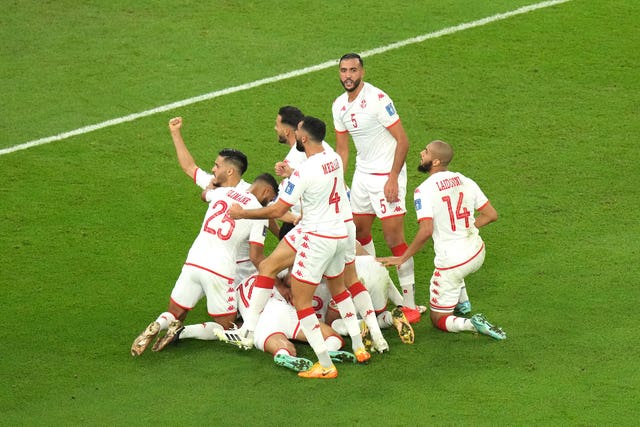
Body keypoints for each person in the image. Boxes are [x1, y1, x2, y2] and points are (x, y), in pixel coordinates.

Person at [224, 116, 370, 379]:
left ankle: (325, 365)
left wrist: (242, 213)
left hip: (315, 236)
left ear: (303, 138)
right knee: (279, 270)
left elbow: (279, 209)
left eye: (298, 131)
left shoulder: (306, 171)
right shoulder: (334, 158)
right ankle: (359, 346)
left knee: (302, 303)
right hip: (336, 232)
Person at [130, 118, 278, 357]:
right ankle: (183, 332)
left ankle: (161, 322)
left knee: (176, 310)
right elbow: (263, 231)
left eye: (216, 165)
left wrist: (207, 193)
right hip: (224, 270)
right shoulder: (250, 203)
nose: (213, 169)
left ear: (229, 171)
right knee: (229, 326)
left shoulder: (220, 190)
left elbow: (203, 193)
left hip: (195, 260)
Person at [377, 140, 506, 340]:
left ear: (435, 161)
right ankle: (462, 303)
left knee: (438, 318)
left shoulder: (424, 190)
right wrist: (468, 228)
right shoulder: (465, 180)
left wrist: (402, 258)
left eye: (426, 152)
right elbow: (491, 214)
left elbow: (426, 230)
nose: (421, 153)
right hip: (477, 252)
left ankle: (471, 323)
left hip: (453, 264)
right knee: (454, 258)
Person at [332, 53, 423, 315]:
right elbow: (342, 149)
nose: (347, 75)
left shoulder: (377, 100)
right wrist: (337, 182)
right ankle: (377, 284)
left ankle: (409, 303)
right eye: (343, 71)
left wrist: (393, 177)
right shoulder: (339, 106)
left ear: (362, 71)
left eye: (352, 70)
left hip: (386, 174)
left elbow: (403, 141)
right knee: (359, 234)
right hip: (362, 175)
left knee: (394, 238)